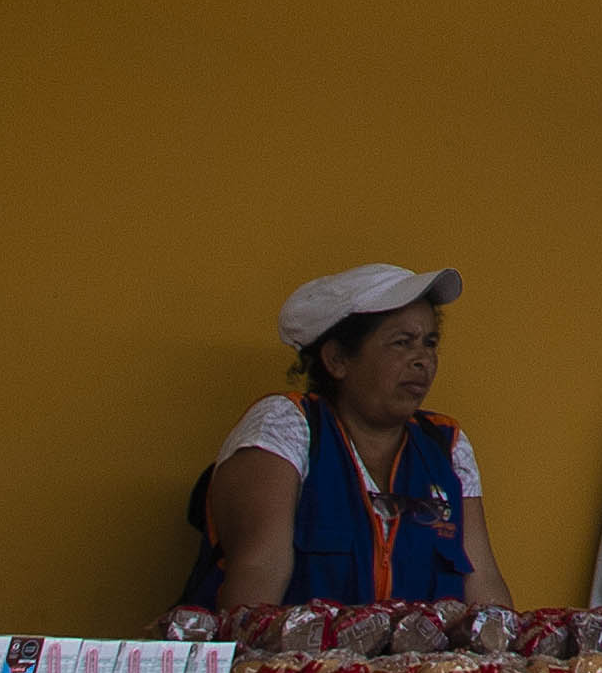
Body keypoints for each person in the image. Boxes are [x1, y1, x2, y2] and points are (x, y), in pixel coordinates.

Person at [189, 259, 508, 614]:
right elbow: (255, 586)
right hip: (292, 653)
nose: (423, 359)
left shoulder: (446, 445)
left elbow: (485, 590)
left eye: (430, 343)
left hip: (420, 654)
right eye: (402, 343)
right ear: (337, 359)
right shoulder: (286, 426)